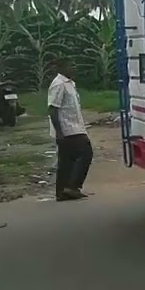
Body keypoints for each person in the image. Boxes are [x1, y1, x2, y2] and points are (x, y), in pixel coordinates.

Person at [48, 59, 92, 202]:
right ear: (61, 67)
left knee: (66, 160)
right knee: (86, 152)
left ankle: (62, 192)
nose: (74, 68)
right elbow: (53, 109)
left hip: (74, 127)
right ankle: (73, 187)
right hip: (68, 129)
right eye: (71, 65)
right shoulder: (59, 84)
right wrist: (59, 132)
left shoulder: (69, 84)